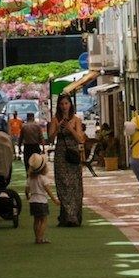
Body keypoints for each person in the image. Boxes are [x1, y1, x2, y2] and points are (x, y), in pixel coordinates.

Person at [52, 94, 87, 227]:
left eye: (66, 103)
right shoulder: (55, 119)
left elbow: (80, 139)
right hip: (60, 153)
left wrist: (70, 128)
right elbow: (49, 139)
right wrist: (57, 129)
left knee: (74, 184)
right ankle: (67, 215)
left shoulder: (76, 120)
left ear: (70, 105)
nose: (64, 106)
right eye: (61, 104)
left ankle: (74, 216)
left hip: (72, 153)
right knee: (62, 183)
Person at [26, 150, 54, 242]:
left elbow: (27, 190)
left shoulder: (30, 179)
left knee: (36, 220)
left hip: (33, 201)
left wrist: (27, 196)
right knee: (43, 220)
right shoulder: (43, 179)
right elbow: (48, 191)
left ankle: (36, 237)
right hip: (42, 201)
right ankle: (40, 238)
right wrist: (55, 200)